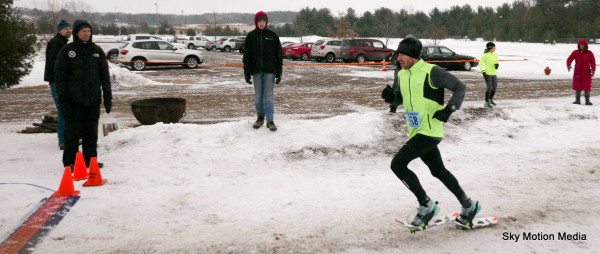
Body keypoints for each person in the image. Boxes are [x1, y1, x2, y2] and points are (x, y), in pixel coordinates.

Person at [381, 36, 480, 229]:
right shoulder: (401, 74)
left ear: (412, 56)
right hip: (416, 131)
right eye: (398, 53)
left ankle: (426, 205)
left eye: (402, 54)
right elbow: (399, 100)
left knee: (398, 165)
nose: (398, 57)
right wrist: (390, 99)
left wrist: (449, 109)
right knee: (438, 171)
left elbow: (460, 87)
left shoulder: (431, 72)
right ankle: (469, 206)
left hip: (430, 130)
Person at [54, 20, 112, 169]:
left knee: (91, 133)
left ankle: (90, 160)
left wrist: (107, 97)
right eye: (83, 31)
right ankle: (70, 162)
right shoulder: (67, 51)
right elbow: (60, 78)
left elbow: (104, 77)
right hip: (73, 101)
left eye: (89, 31)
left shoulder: (97, 51)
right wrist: (63, 100)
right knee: (72, 133)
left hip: (92, 100)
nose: (87, 34)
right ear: (76, 33)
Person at [243, 11, 283, 131]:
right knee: (258, 96)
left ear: (266, 22)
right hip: (256, 71)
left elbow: (279, 55)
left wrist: (279, 72)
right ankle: (260, 118)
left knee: (268, 96)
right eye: (259, 21)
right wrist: (247, 72)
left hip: (269, 71)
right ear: (256, 22)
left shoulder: (273, 36)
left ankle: (270, 120)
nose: (261, 23)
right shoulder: (250, 36)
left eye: (263, 21)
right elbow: (247, 56)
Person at [44, 20, 71, 150]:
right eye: (66, 29)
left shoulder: (62, 42)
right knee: (63, 110)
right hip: (57, 82)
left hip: (62, 82)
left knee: (66, 110)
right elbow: (55, 63)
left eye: (70, 29)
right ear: (59, 30)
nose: (69, 31)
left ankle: (68, 138)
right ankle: (63, 141)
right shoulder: (56, 42)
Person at [567, 39, 595, 105]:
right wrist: (568, 65)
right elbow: (569, 59)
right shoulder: (575, 52)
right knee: (577, 86)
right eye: (580, 44)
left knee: (587, 87)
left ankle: (587, 101)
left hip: (586, 73)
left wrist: (593, 69)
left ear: (586, 45)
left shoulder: (589, 53)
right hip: (578, 73)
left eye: (583, 44)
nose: (581, 46)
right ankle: (577, 100)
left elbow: (593, 62)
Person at [480, 42, 499, 108]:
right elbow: (480, 64)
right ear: (490, 48)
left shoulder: (495, 54)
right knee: (489, 88)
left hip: (494, 73)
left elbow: (496, 61)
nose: (495, 48)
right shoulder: (485, 55)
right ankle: (486, 102)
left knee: (494, 87)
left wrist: (497, 65)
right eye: (494, 47)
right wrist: (483, 72)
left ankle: (490, 100)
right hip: (487, 73)